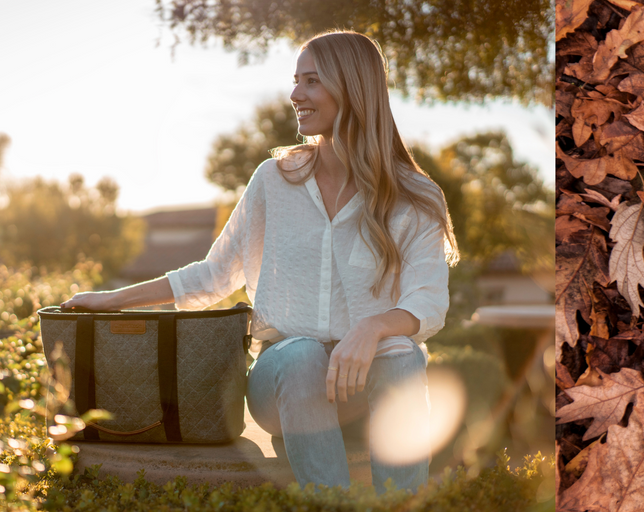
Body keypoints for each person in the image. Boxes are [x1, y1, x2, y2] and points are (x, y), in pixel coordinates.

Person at [61, 30, 459, 493]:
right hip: (285, 380)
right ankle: (326, 500)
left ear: (352, 87)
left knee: (403, 354)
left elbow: (427, 301)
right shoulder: (274, 180)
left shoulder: (415, 197)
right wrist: (112, 300)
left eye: (311, 81)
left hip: (363, 390)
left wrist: (371, 329)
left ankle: (405, 503)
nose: (295, 95)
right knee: (304, 353)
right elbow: (214, 275)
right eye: (295, 81)